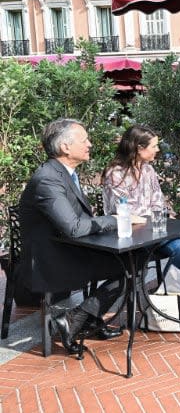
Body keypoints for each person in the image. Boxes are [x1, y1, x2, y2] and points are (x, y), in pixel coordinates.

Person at [17, 118, 142, 354]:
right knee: (128, 265)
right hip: (50, 260)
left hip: (68, 250)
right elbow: (73, 227)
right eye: (84, 140)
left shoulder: (65, 173)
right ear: (65, 147)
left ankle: (85, 319)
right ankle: (77, 319)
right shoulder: (48, 179)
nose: (90, 144)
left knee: (131, 261)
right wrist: (115, 219)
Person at [102, 125, 180, 294]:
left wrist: (160, 216)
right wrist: (156, 217)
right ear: (139, 148)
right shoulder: (116, 174)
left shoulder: (148, 169)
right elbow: (124, 212)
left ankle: (165, 290)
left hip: (154, 229)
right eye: (154, 146)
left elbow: (158, 200)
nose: (157, 150)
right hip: (131, 234)